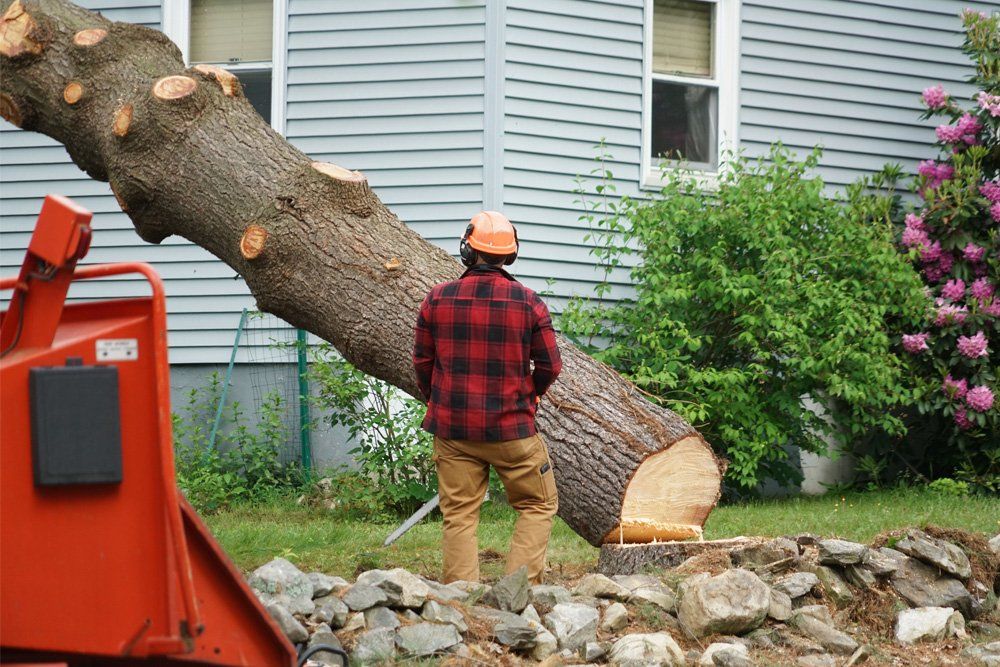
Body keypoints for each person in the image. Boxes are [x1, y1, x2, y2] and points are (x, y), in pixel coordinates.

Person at [412, 211, 562, 585]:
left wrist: (442, 401)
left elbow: (422, 362)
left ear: (467, 249)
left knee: (459, 513)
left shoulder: (436, 299)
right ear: (510, 255)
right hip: (512, 430)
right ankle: (518, 592)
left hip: (453, 430)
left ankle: (460, 600)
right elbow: (550, 366)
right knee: (538, 503)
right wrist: (531, 394)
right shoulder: (529, 303)